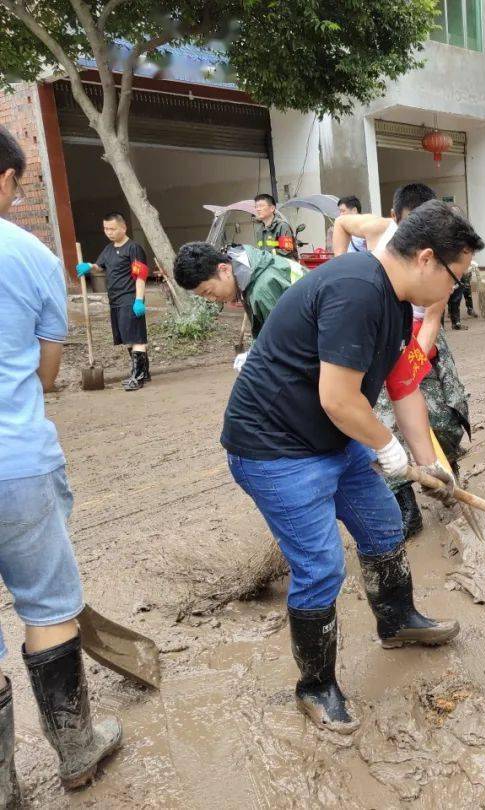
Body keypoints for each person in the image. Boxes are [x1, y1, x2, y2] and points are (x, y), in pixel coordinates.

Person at [222, 200, 481, 733]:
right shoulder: (359, 290)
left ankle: (397, 621)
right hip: (275, 447)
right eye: (458, 278)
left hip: (333, 438)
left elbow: (403, 380)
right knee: (320, 569)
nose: (456, 291)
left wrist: (430, 463)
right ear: (428, 260)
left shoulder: (396, 297)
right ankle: (315, 687)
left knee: (383, 526)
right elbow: (340, 399)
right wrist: (388, 450)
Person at [0, 125, 122, 798]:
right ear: (3, 178)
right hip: (16, 458)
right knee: (47, 607)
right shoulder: (28, 254)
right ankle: (76, 748)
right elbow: (47, 373)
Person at [334, 184, 471, 539]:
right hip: (372, 343)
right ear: (398, 221)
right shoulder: (368, 280)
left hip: (412, 338)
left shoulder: (436, 273)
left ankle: (443, 468)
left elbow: (430, 323)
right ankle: (403, 503)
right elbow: (338, 399)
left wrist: (409, 364)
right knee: (382, 426)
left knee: (442, 415)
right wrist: (386, 443)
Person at [172, 242, 305, 370]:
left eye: (208, 292)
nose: (212, 299)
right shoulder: (250, 266)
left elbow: (288, 346)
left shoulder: (263, 288)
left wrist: (256, 358)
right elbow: (270, 333)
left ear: (223, 269)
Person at [75, 212, 151, 391]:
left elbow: (140, 275)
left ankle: (137, 377)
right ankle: (143, 372)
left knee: (136, 336)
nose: (108, 232)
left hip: (130, 297)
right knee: (127, 338)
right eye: (105, 229)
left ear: (123, 228)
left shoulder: (133, 248)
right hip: (115, 299)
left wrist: (139, 300)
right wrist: (88, 266)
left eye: (112, 229)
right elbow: (100, 266)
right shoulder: (109, 249)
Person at [253, 193, 298, 260]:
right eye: (256, 207)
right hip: (269, 267)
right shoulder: (259, 231)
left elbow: (286, 251)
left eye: (261, 206)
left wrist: (266, 255)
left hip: (283, 267)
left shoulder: (282, 226)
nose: (258, 209)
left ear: (272, 208)